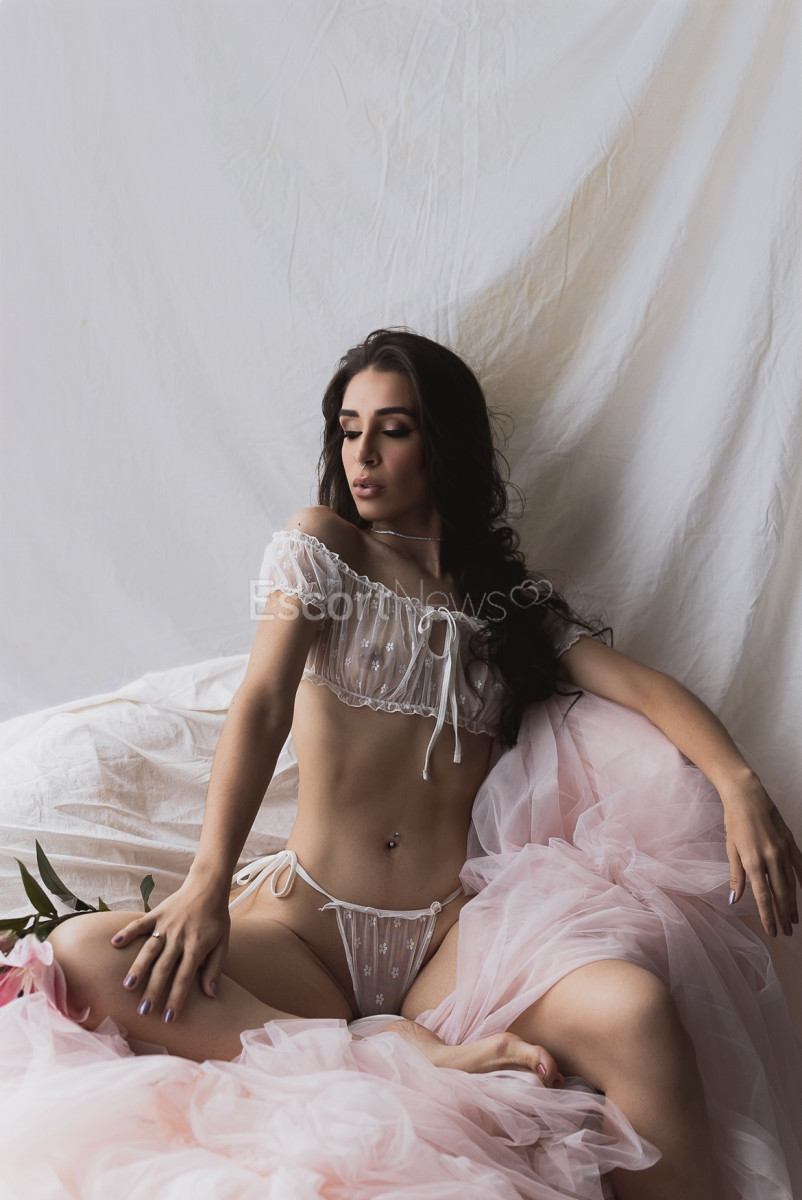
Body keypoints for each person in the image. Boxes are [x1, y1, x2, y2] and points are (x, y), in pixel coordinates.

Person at [48, 329, 802, 1199]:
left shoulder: (507, 609)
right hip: (305, 933)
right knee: (83, 951)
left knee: (635, 1010)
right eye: (348, 430)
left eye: (393, 429)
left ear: (442, 442)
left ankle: (407, 1043)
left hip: (449, 942)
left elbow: (645, 689)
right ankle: (381, 1050)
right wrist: (207, 884)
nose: (362, 454)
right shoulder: (327, 548)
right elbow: (260, 704)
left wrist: (738, 784)